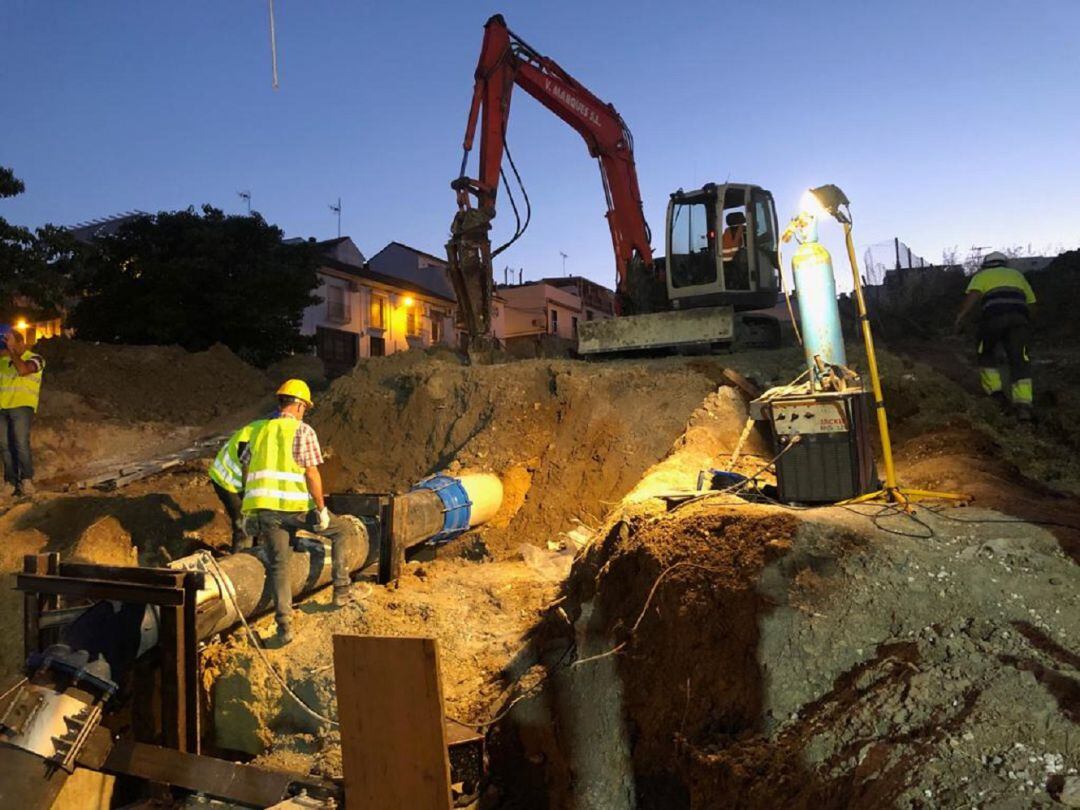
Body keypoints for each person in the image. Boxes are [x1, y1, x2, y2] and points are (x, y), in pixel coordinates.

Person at [240, 379, 354, 645]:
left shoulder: (258, 431)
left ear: (280, 403)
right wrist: (322, 509)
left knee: (280, 566)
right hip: (296, 508)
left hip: (266, 511)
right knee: (342, 531)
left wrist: (249, 509)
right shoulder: (303, 431)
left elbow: (246, 469)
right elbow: (312, 474)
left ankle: (284, 629)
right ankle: (341, 590)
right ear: (300, 406)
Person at [954, 251, 1037, 420]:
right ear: (1004, 263)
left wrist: (960, 318)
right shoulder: (1017, 275)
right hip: (1019, 320)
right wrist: (1027, 324)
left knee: (985, 353)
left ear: (986, 265)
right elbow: (1032, 303)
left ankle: (996, 396)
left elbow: (974, 296)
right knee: (1020, 359)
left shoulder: (982, 276)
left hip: (993, 319)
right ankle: (1023, 405)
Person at [208, 417, 270, 552]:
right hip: (227, 480)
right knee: (243, 523)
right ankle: (240, 560)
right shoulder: (257, 436)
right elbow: (247, 472)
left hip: (245, 478)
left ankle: (254, 552)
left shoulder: (272, 431)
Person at [0, 327, 45, 497]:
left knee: (20, 443)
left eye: (12, 342)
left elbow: (23, 370)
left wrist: (12, 351)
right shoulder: (2, 361)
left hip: (22, 406)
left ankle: (26, 480)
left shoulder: (36, 359)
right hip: (2, 408)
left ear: (21, 342)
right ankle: (10, 482)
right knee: (5, 446)